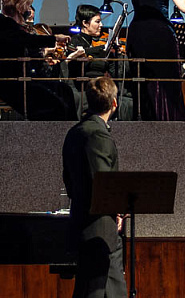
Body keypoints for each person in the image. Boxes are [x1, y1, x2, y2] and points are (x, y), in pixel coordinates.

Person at [61, 75, 127, 298]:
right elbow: (103, 183)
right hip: (99, 230)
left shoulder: (74, 132)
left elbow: (68, 180)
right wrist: (117, 209)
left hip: (82, 223)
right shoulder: (97, 134)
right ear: (115, 103)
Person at [0, 0, 76, 120]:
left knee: (65, 91)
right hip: (9, 83)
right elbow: (26, 40)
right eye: (27, 5)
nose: (29, 10)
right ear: (19, 6)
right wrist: (54, 38)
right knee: (56, 106)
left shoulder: (12, 25)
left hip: (24, 80)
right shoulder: (2, 24)